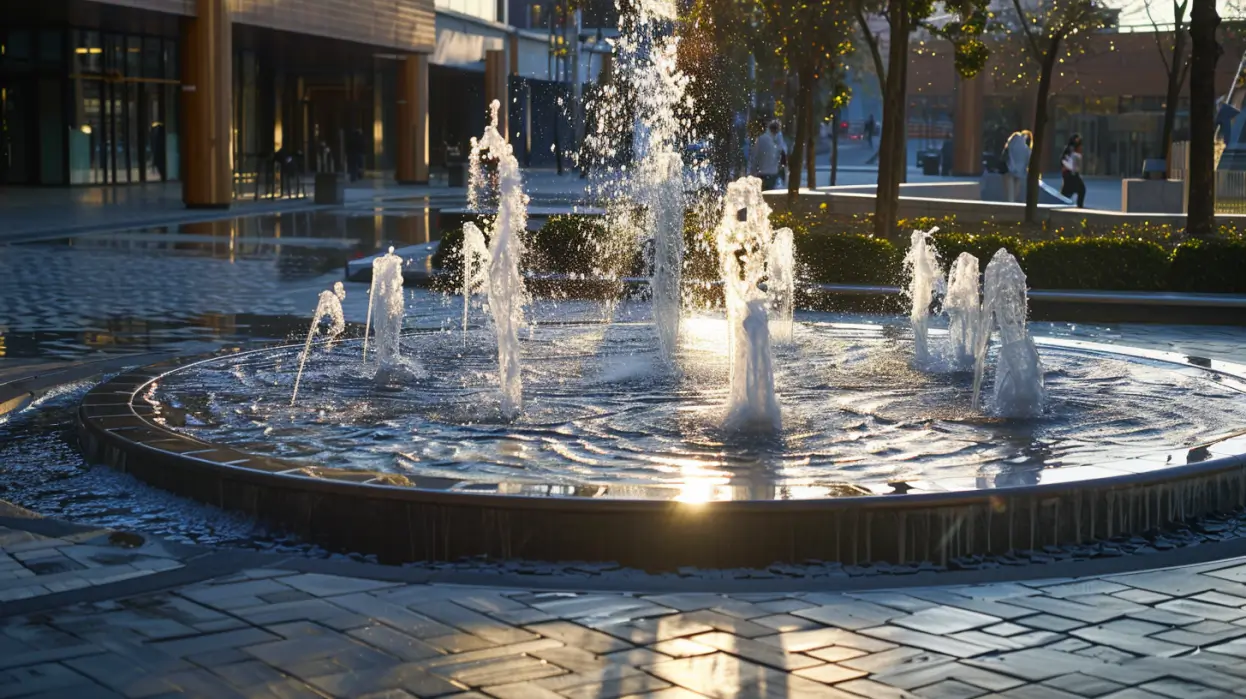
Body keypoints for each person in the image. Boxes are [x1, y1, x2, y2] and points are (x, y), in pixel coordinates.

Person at [748, 120, 784, 191]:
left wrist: (752, 171)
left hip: (762, 173)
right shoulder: (777, 140)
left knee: (762, 193)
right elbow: (780, 154)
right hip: (772, 173)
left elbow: (755, 156)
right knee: (769, 195)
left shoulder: (762, 139)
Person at [1001, 129, 1032, 203]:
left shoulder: (1012, 143)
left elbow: (1006, 154)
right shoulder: (1026, 149)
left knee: (1010, 189)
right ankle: (1013, 202)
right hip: (1020, 170)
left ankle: (1010, 201)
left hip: (1010, 168)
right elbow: (1028, 160)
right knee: (1016, 187)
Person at [1060, 133, 1086, 208]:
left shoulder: (1073, 153)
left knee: (1067, 193)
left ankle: (1078, 206)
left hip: (1071, 176)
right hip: (1070, 176)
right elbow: (1065, 164)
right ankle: (1079, 207)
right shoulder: (1071, 153)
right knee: (1081, 189)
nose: (1082, 148)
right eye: (1080, 146)